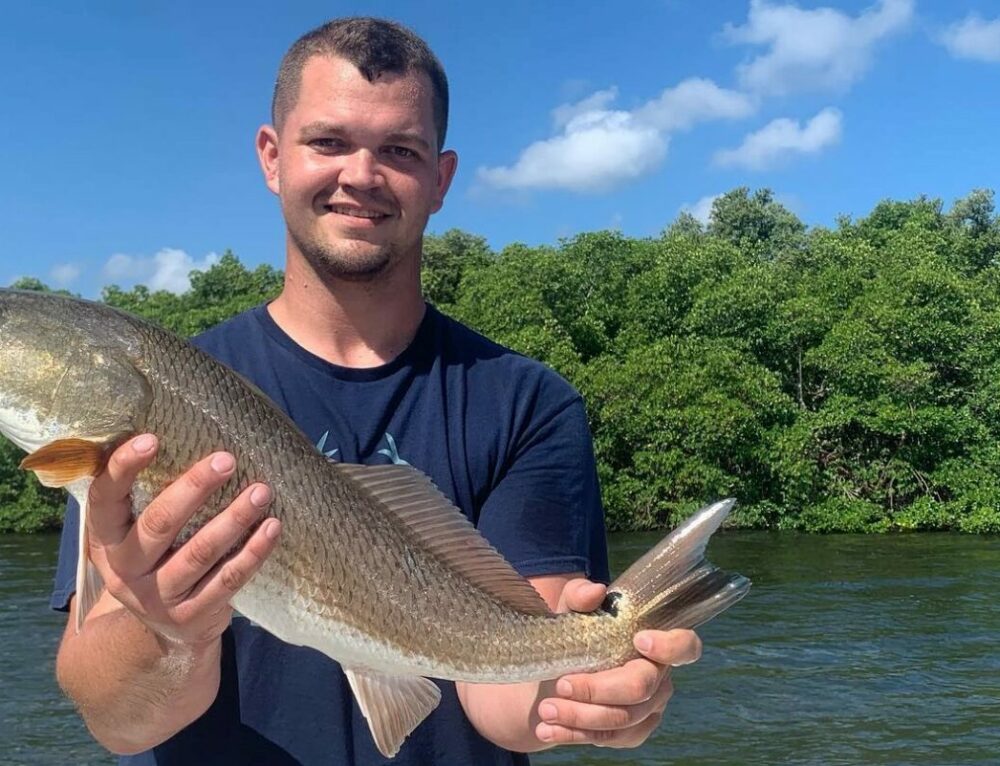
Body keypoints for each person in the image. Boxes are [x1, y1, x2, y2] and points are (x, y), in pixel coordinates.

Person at [50, 17, 702, 765]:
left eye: (399, 150)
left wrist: (581, 690)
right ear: (271, 156)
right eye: (328, 142)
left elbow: (507, 694)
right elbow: (117, 720)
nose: (360, 175)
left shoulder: (528, 402)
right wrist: (163, 626)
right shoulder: (159, 399)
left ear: (440, 178)